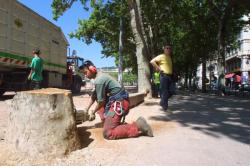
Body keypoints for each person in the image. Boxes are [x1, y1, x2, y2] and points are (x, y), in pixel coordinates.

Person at [79, 60, 153, 140]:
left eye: (85, 72)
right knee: (98, 96)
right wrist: (86, 109)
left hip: (120, 103)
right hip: (118, 101)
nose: (85, 75)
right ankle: (108, 121)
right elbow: (95, 95)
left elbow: (101, 101)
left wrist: (93, 112)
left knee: (108, 133)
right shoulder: (100, 76)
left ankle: (137, 126)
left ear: (92, 69)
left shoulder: (99, 80)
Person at [150, 44, 173, 111]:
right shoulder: (161, 56)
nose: (168, 49)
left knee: (171, 91)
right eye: (167, 48)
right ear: (164, 49)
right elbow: (152, 61)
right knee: (165, 91)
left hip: (169, 76)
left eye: (169, 48)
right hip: (164, 75)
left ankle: (162, 101)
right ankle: (165, 107)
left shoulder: (169, 57)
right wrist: (159, 68)